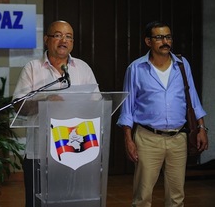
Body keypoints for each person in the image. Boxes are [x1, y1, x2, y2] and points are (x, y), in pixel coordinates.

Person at [117, 21, 208, 207]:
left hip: (178, 138)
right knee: (142, 197)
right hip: (148, 139)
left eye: (168, 37)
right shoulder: (135, 69)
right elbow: (127, 108)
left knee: (177, 197)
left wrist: (201, 127)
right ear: (148, 41)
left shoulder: (182, 65)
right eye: (159, 37)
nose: (165, 41)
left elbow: (193, 99)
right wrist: (128, 139)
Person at [13, 20, 99, 207]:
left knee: (71, 203)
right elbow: (18, 106)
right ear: (47, 39)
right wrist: (44, 102)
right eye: (58, 35)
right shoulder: (33, 68)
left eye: (68, 36)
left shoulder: (83, 68)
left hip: (76, 151)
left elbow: (97, 105)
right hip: (39, 152)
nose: (63, 40)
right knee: (37, 203)